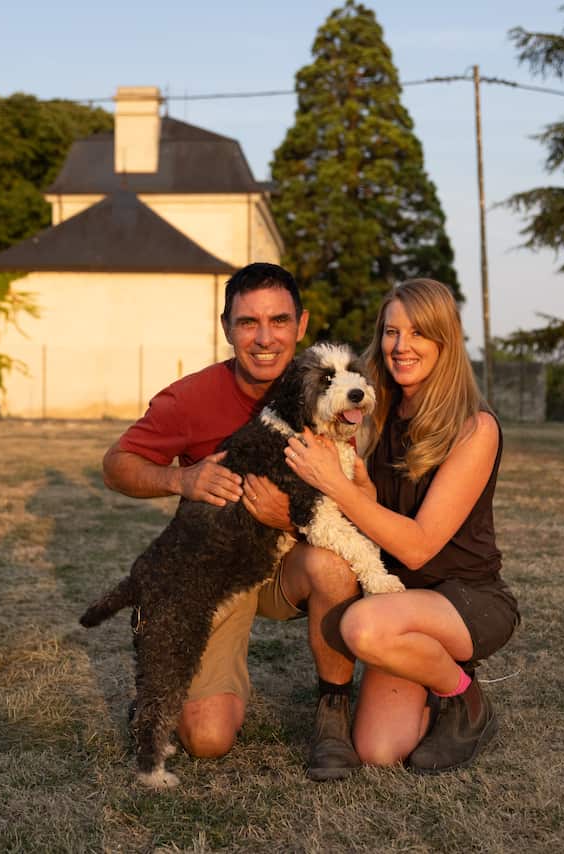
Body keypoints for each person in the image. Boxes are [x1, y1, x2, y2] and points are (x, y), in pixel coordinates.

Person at [100, 262, 364, 781]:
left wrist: (287, 513)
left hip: (294, 555)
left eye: (279, 321)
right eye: (248, 323)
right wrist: (182, 480)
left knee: (333, 564)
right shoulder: (191, 397)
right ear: (226, 328)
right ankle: (156, 665)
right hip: (222, 564)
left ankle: (334, 711)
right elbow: (116, 465)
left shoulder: (328, 389)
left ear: (301, 324)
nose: (265, 339)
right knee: (207, 738)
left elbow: (356, 492)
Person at [282, 278, 519, 773]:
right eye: (392, 332)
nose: (401, 346)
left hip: (465, 598)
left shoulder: (476, 427)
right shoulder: (374, 409)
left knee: (361, 627)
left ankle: (466, 698)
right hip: (400, 602)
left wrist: (338, 485)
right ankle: (431, 672)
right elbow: (374, 510)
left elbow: (417, 547)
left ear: (445, 341)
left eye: (417, 333)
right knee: (377, 750)